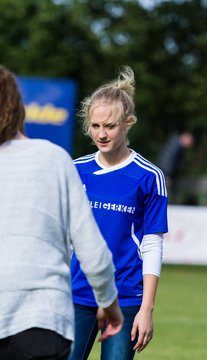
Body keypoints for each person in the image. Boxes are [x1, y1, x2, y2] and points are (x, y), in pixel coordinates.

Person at [0, 65, 123, 360]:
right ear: (18, 107)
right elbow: (91, 248)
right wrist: (109, 303)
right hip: (40, 322)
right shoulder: (53, 159)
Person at [70, 66, 168, 360]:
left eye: (110, 126)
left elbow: (152, 244)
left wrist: (146, 309)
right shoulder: (74, 170)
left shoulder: (149, 176)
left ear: (128, 123)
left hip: (125, 297)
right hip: (77, 295)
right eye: (95, 126)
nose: (101, 134)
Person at [156, 132, 194, 203]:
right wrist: (167, 174)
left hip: (169, 173)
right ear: (185, 138)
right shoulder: (175, 145)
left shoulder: (178, 145)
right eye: (189, 142)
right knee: (165, 190)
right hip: (166, 172)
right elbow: (166, 160)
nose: (189, 146)